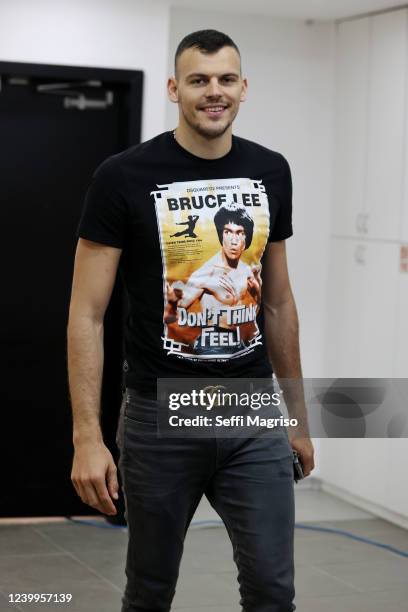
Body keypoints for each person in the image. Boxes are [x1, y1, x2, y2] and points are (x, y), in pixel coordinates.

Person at [68, 29, 315, 612]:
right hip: (160, 413)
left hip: (251, 410)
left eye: (226, 79)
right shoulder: (122, 176)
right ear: (176, 88)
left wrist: (298, 417)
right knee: (151, 591)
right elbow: (86, 312)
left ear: (243, 88)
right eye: (199, 80)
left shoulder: (270, 171)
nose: (214, 92)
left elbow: (278, 303)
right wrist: (86, 436)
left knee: (273, 591)